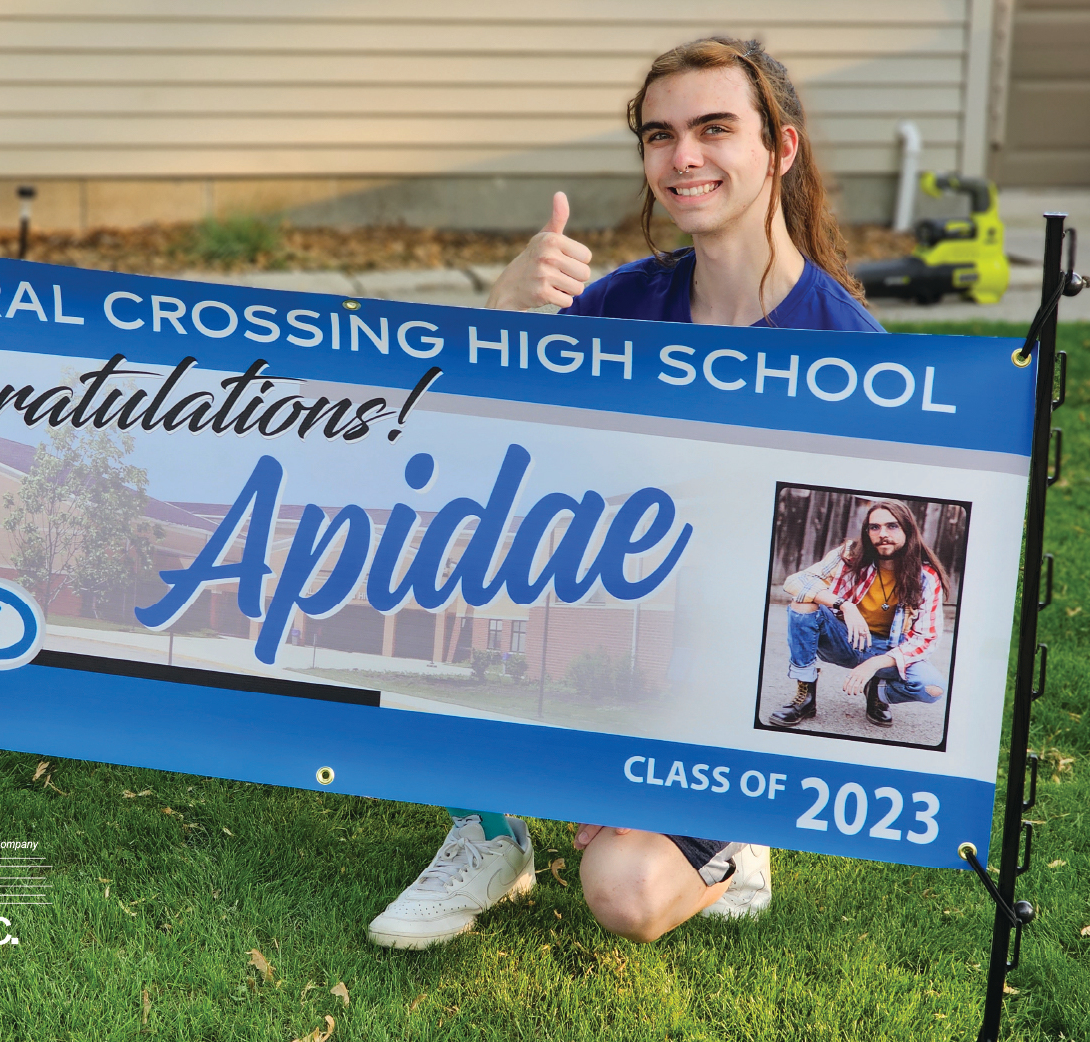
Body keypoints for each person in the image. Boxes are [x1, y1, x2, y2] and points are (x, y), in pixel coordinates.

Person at [366, 36, 885, 951]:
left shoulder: (855, 356)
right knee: (440, 526)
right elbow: (462, 435)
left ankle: (743, 822)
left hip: (733, 682)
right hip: (612, 627)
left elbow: (840, 582)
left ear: (782, 149)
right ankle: (490, 830)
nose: (683, 157)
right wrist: (501, 316)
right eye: (660, 134)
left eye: (714, 128)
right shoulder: (619, 305)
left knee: (627, 893)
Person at [770, 500, 950, 730]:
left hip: (887, 652)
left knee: (931, 688)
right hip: (844, 640)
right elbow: (795, 581)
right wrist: (844, 605)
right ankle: (805, 696)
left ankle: (877, 691)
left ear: (908, 530)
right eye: (874, 527)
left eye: (892, 526)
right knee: (802, 604)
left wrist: (874, 664)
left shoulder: (925, 576)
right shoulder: (849, 555)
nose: (882, 534)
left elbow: (926, 638)